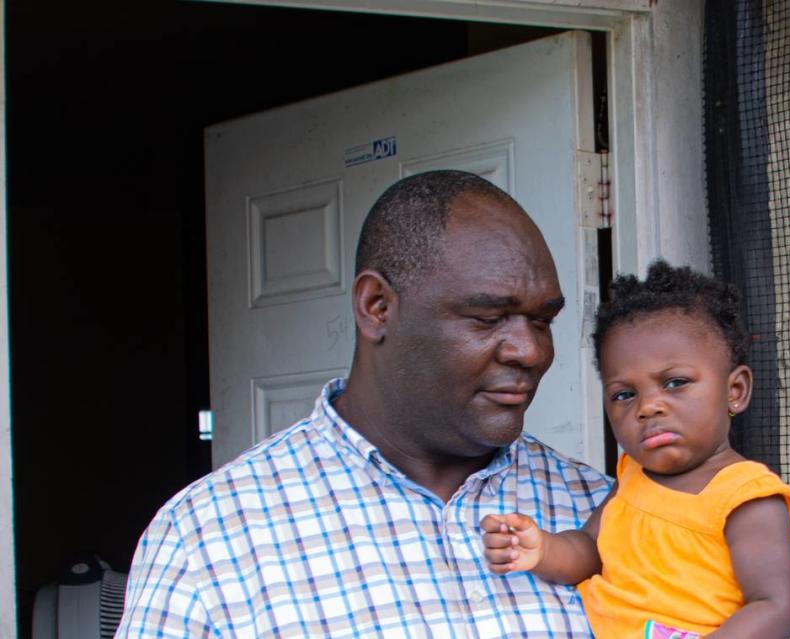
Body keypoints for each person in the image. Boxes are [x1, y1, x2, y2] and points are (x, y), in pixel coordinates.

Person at [114, 170, 612, 638]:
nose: (530, 352)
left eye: (542, 322)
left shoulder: (608, 510)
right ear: (377, 307)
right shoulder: (210, 539)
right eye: (487, 318)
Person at [481, 260, 790, 639]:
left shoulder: (746, 496)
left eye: (675, 382)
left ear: (735, 391)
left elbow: (774, 607)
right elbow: (589, 549)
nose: (647, 406)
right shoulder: (633, 476)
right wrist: (541, 550)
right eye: (624, 394)